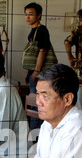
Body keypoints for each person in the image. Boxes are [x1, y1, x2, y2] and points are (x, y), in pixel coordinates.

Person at [23, 2, 54, 130]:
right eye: (26, 14)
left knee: (37, 104)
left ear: (39, 15)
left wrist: (36, 71)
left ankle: (35, 133)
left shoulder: (41, 30)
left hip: (39, 73)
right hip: (34, 72)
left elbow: (42, 50)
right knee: (34, 102)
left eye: (31, 14)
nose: (27, 17)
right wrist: (29, 72)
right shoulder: (34, 30)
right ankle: (35, 132)